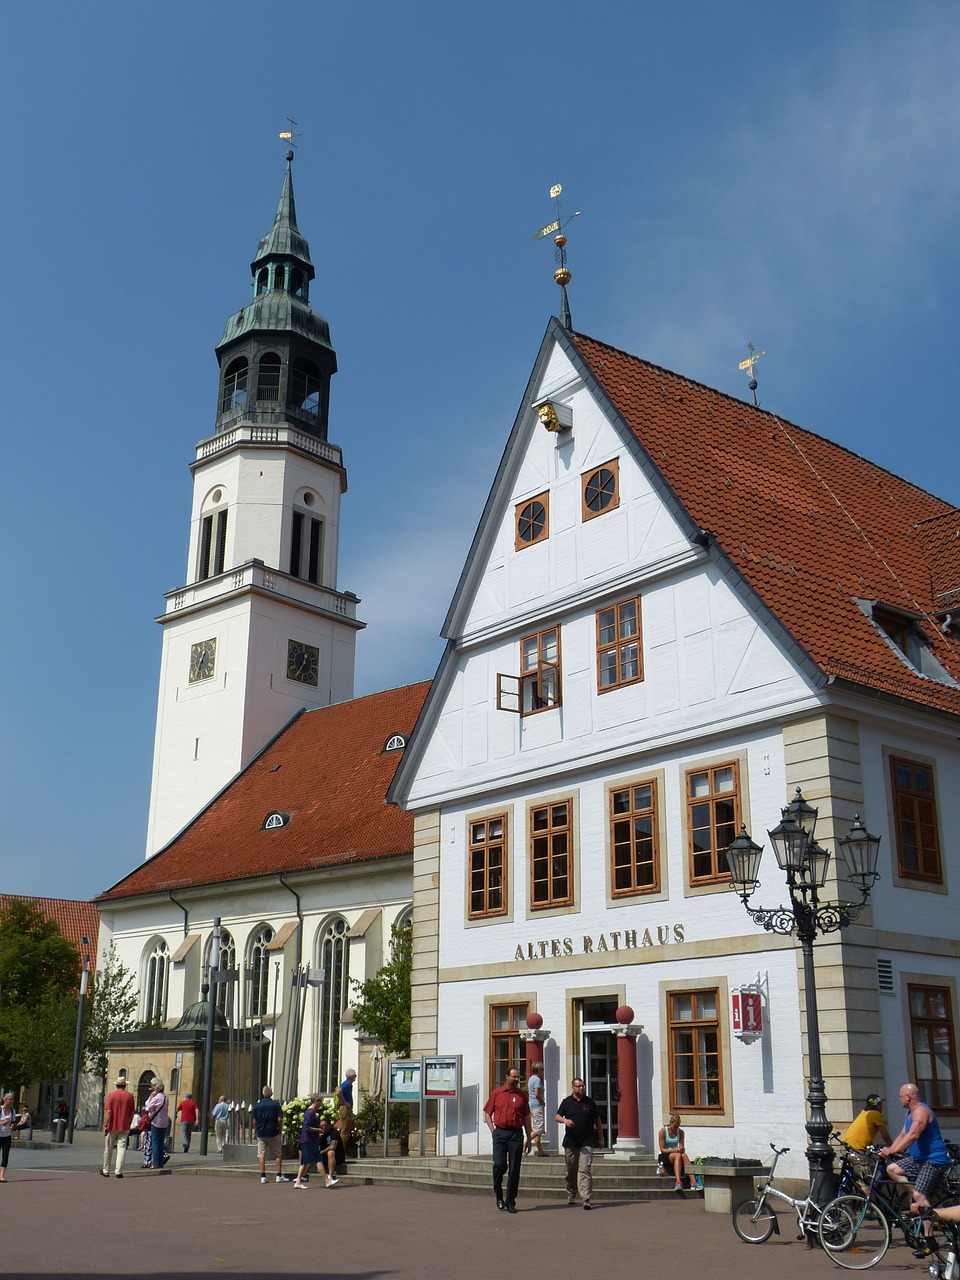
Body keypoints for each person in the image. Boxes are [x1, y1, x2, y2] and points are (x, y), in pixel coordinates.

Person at [880, 1082, 951, 1211]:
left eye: (900, 1096)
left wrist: (893, 1150)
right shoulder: (909, 1114)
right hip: (918, 1159)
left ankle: (928, 1229)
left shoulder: (921, 1111)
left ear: (907, 1097)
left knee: (919, 1195)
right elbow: (903, 1135)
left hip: (933, 1160)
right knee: (892, 1169)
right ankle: (922, 1200)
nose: (899, 1099)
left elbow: (913, 1134)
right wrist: (889, 1150)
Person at [483, 1066, 532, 1214]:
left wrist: (529, 1138)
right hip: (500, 1133)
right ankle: (498, 1194)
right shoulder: (497, 1093)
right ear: (507, 1077)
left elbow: (526, 1117)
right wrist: (493, 1131)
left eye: (518, 1077)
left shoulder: (522, 1095)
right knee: (499, 1165)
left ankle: (511, 1201)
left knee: (515, 1168)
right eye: (514, 1077)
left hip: (516, 1135)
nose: (517, 1079)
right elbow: (487, 1113)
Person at [556, 1078, 605, 1209]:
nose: (581, 1088)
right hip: (571, 1142)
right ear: (573, 1088)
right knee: (571, 1170)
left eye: (583, 1086)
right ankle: (571, 1193)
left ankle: (586, 1198)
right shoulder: (567, 1102)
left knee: (584, 1169)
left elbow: (598, 1121)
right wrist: (565, 1121)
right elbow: (557, 1116)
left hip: (587, 1141)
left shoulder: (589, 1102)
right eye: (578, 1086)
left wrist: (601, 1138)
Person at [252, 1086, 290, 1184]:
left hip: (261, 1133)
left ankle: (263, 1176)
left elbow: (254, 1120)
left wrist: (256, 1130)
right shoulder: (275, 1105)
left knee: (261, 1154)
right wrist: (279, 1129)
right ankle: (278, 1175)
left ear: (263, 1093)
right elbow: (280, 1119)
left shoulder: (257, 1105)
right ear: (271, 1093)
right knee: (277, 1153)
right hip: (273, 1132)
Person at [101, 1077, 136, 1178]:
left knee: (108, 1148)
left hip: (112, 1125)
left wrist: (105, 1125)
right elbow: (132, 1112)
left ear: (116, 1085)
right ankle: (118, 1171)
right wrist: (128, 1123)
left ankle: (106, 1170)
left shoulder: (111, 1096)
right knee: (122, 1148)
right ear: (125, 1085)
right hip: (124, 1125)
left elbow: (108, 1112)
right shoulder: (130, 1096)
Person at [657, 1113, 702, 1191]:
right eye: (675, 1126)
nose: (676, 1128)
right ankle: (678, 1182)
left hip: (676, 1153)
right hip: (666, 1154)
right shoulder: (663, 1131)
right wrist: (675, 1150)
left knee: (684, 1155)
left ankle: (694, 1182)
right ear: (671, 1123)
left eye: (678, 1126)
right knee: (677, 1155)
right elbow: (662, 1149)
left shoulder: (680, 1132)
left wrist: (681, 1149)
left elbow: (682, 1146)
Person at [293, 1096, 326, 1189]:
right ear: (317, 1101)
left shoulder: (310, 1112)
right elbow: (307, 1128)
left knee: (305, 1162)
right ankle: (327, 1180)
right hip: (309, 1140)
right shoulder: (310, 1112)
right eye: (321, 1102)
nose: (321, 1104)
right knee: (318, 1160)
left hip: (307, 1140)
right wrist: (319, 1130)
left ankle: (298, 1181)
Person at [144, 1078, 170, 1170]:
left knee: (155, 1142)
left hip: (156, 1122)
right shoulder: (166, 1097)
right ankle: (160, 1163)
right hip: (164, 1122)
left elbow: (148, 1108)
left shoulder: (157, 1097)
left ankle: (155, 1163)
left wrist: (150, 1100)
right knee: (160, 1142)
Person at [316, 1116, 343, 1187]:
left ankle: (330, 1176)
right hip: (323, 1156)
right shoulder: (320, 1134)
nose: (323, 1128)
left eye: (325, 1126)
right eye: (321, 1126)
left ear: (329, 1125)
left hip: (337, 1156)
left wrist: (321, 1152)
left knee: (330, 1152)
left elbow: (333, 1147)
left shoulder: (334, 1133)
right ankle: (302, 1176)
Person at [528, 1061, 547, 1156]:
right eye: (542, 1069)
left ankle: (540, 1150)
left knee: (536, 1127)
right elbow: (536, 1094)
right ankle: (525, 1142)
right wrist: (542, 1102)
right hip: (537, 1105)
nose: (543, 1071)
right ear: (538, 1070)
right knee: (539, 1129)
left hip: (531, 1104)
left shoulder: (531, 1079)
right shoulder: (537, 1080)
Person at [336, 1068, 357, 1141]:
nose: (355, 1077)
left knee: (347, 1129)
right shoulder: (347, 1084)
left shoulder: (348, 1084)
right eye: (355, 1076)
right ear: (351, 1076)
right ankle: (342, 1150)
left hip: (347, 1108)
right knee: (345, 1130)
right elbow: (338, 1092)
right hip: (345, 1108)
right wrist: (345, 1102)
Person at [0, 1093, 16, 1182]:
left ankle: (1, 1176)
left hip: (7, 1136)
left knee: (5, 1156)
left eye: (12, 1099)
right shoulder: (0, 1110)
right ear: (5, 1100)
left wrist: (13, 1126)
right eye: (10, 1099)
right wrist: (2, 1123)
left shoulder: (12, 1111)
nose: (11, 1101)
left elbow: (13, 1122)